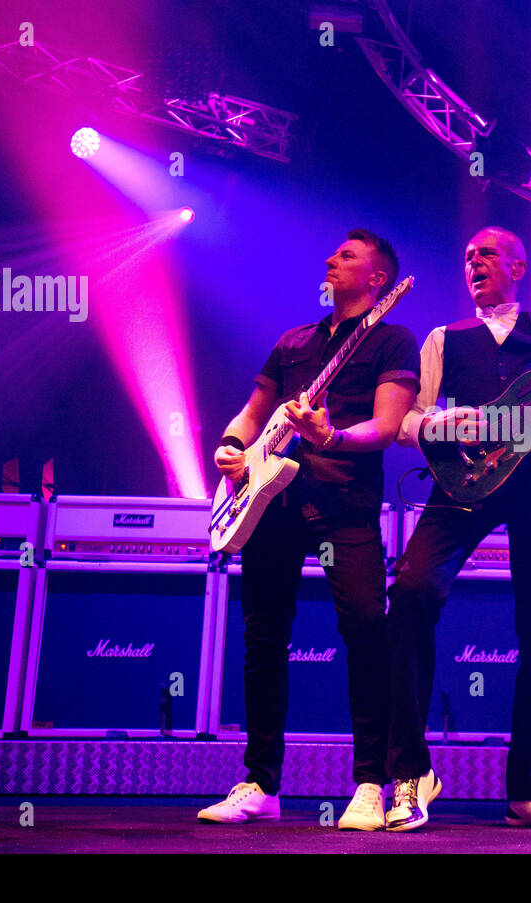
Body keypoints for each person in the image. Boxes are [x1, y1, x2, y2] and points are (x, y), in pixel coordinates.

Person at [383, 226, 531, 832]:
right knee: (409, 591)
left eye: (485, 254)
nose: (473, 263)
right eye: (466, 258)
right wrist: (445, 425)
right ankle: (408, 773)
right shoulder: (442, 339)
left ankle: (528, 788)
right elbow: (406, 423)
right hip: (463, 483)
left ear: (518, 264)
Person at [197, 229, 419, 831]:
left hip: (344, 504)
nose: (330, 259)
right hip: (270, 503)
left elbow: (387, 425)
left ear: (379, 280)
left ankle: (372, 782)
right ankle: (260, 783)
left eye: (346, 256)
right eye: (333, 253)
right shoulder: (293, 340)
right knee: (263, 637)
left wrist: (332, 438)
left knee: (366, 632)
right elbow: (252, 411)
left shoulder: (394, 338)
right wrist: (230, 445)